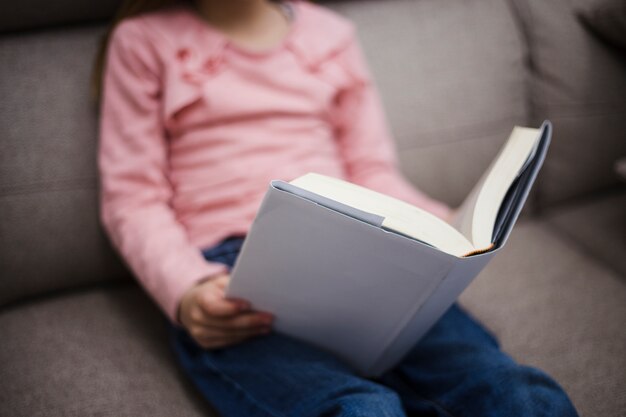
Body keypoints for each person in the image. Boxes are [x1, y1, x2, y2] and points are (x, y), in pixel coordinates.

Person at [94, 0, 579, 415]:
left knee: (514, 392)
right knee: (362, 409)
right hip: (233, 279)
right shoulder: (143, 41)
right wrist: (186, 290)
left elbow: (372, 170)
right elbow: (131, 198)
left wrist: (447, 227)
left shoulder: (330, 33)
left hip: (370, 254)